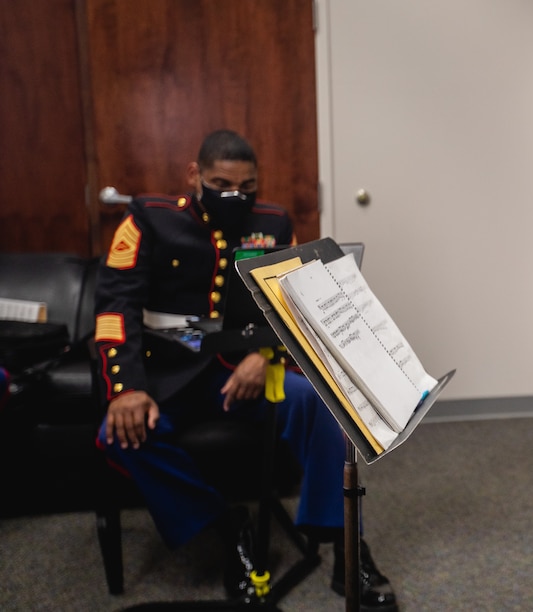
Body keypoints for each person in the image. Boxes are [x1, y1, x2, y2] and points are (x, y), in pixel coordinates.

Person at [94, 129, 397, 611]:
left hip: (242, 371)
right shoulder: (148, 220)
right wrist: (126, 389)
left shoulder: (275, 223)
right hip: (166, 377)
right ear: (195, 175)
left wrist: (267, 355)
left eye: (247, 187)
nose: (235, 196)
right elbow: (114, 309)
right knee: (120, 434)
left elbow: (296, 307)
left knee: (325, 406)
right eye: (221, 184)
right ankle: (223, 527)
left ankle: (345, 545)